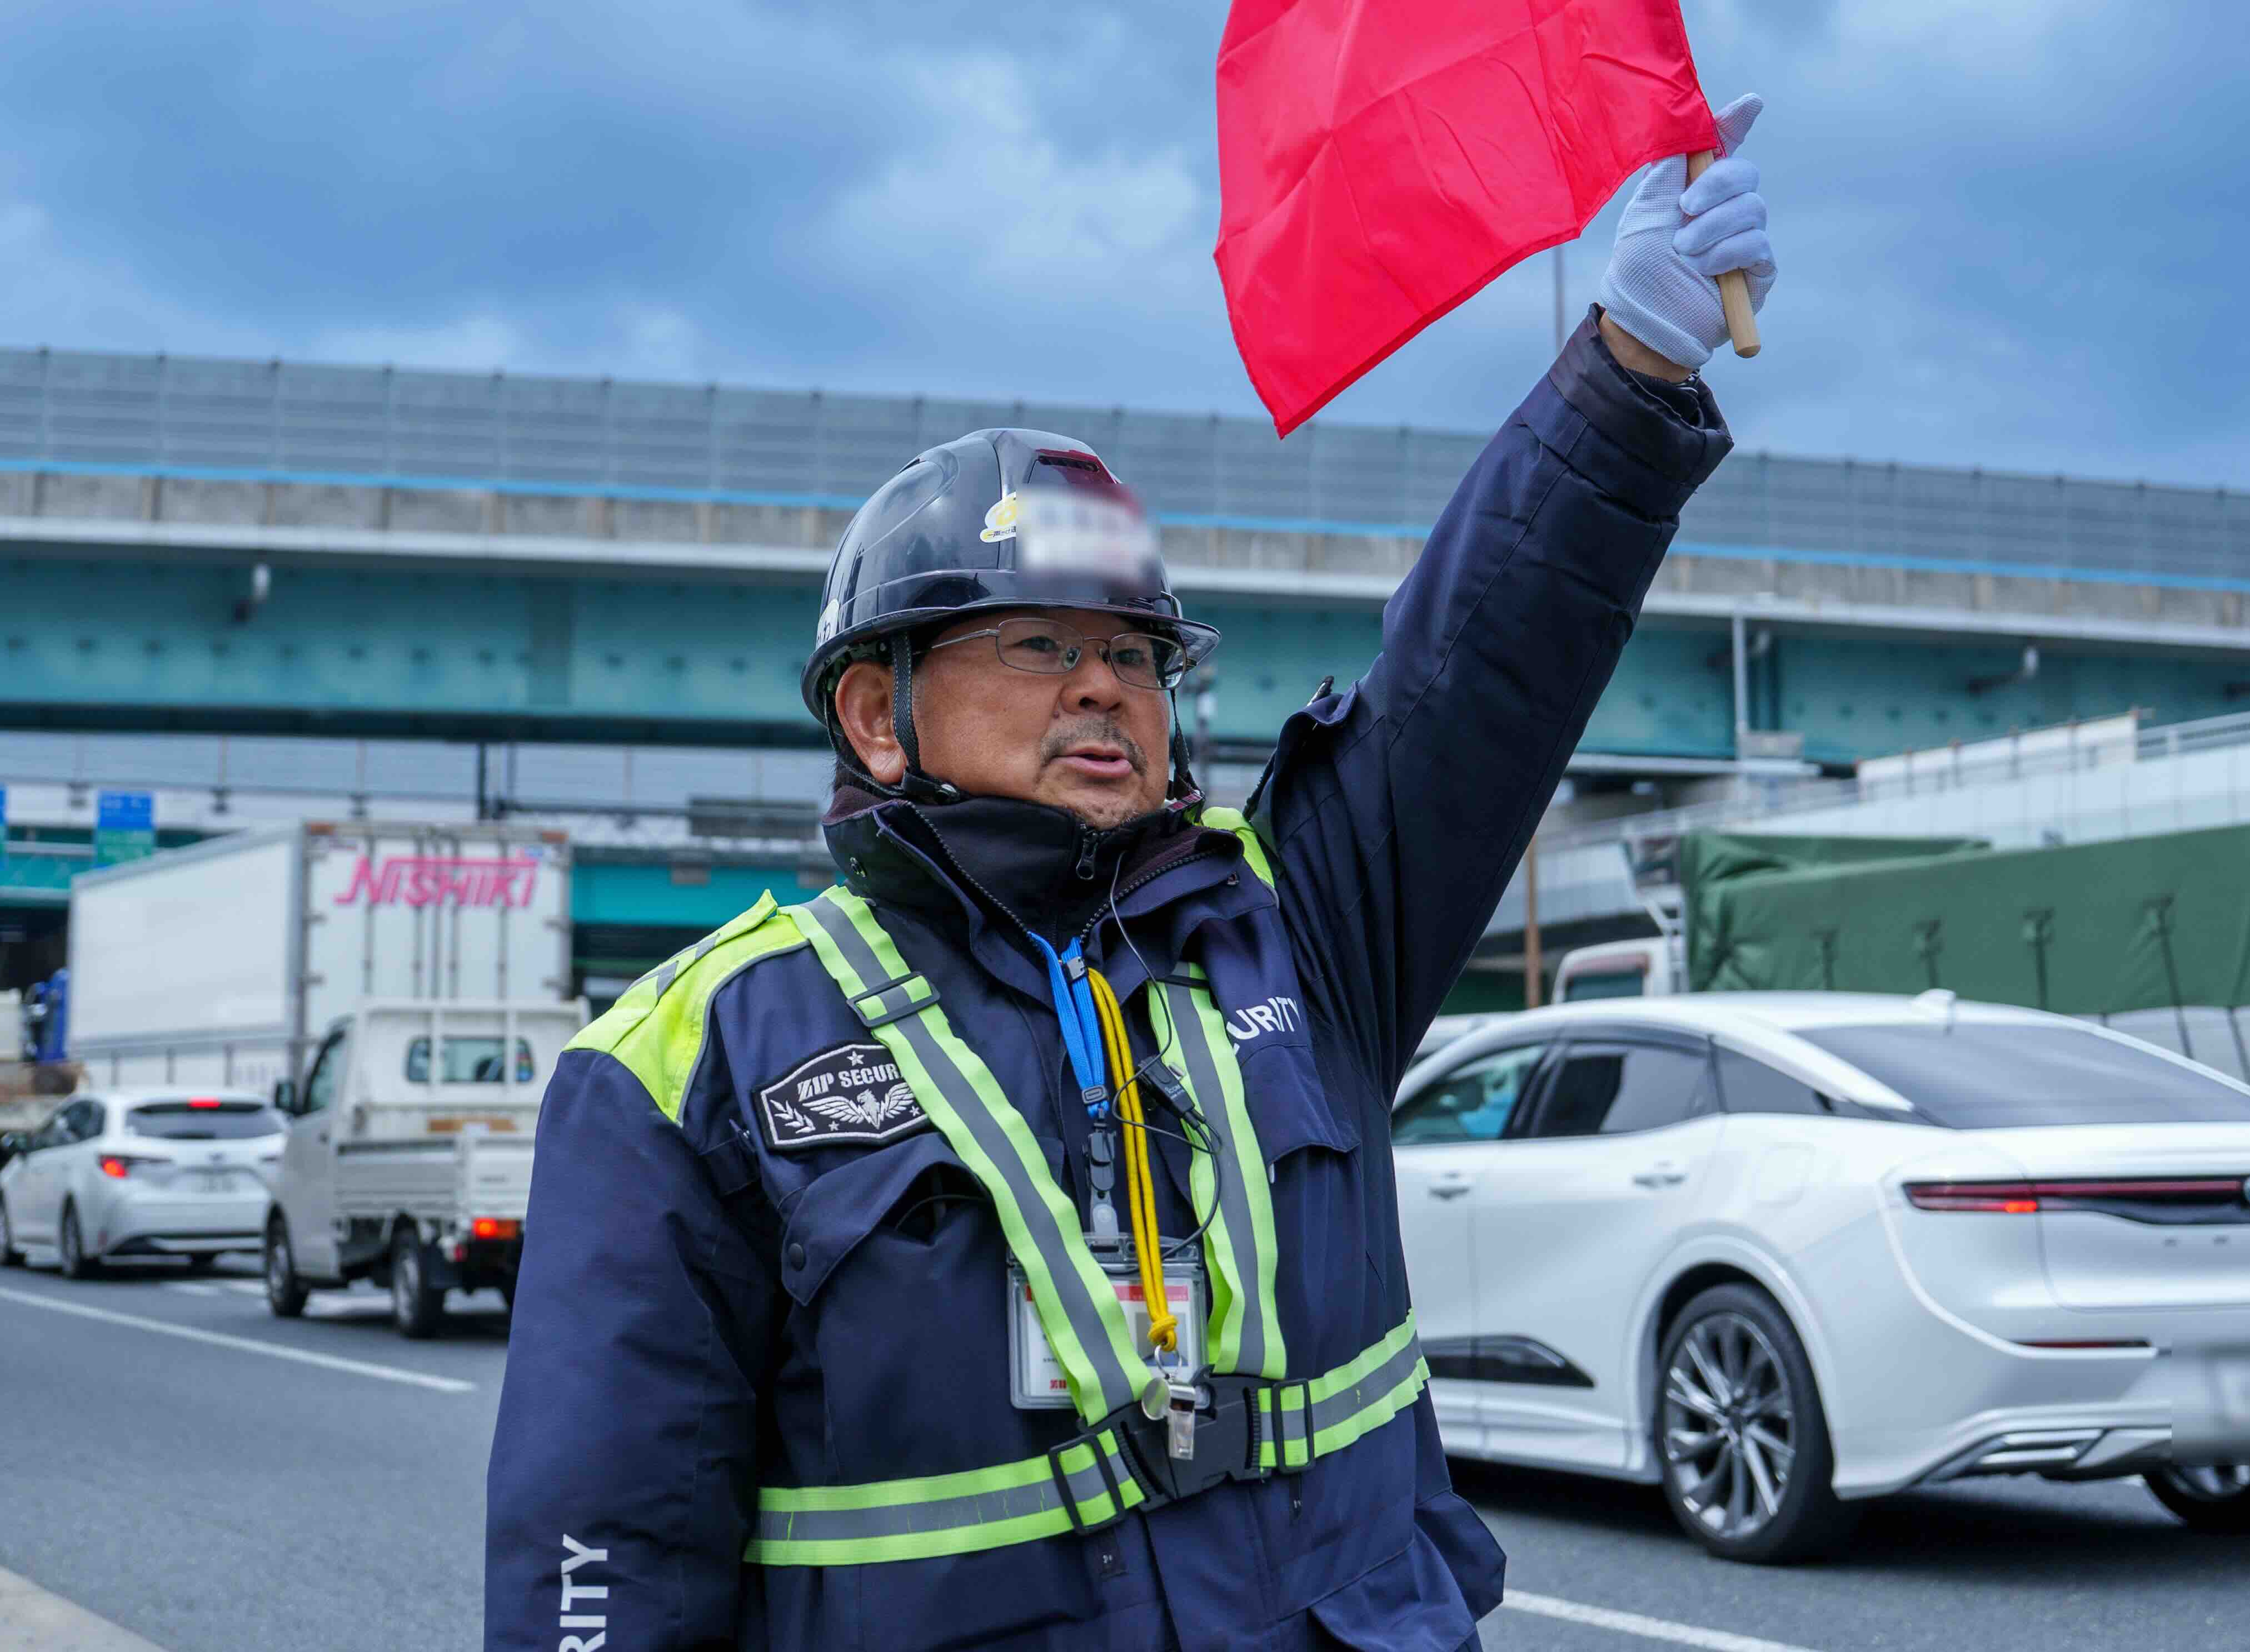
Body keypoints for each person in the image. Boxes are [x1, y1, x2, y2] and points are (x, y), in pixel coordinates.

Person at [483, 106, 1776, 1651]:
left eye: (1135, 655)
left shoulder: (1297, 933)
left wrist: (1628, 375)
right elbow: (606, 1545)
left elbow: (1476, 674)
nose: (1103, 688)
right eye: (1038, 645)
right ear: (877, 713)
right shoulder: (691, 1065)